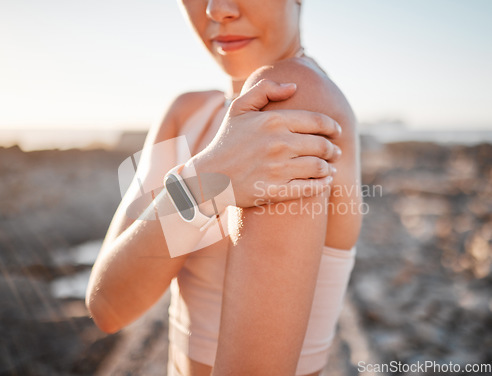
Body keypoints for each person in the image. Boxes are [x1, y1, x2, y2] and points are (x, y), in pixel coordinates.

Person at [86, 0, 363, 375]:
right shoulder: (187, 113)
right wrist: (205, 180)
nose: (217, 9)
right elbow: (108, 306)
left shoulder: (298, 95)